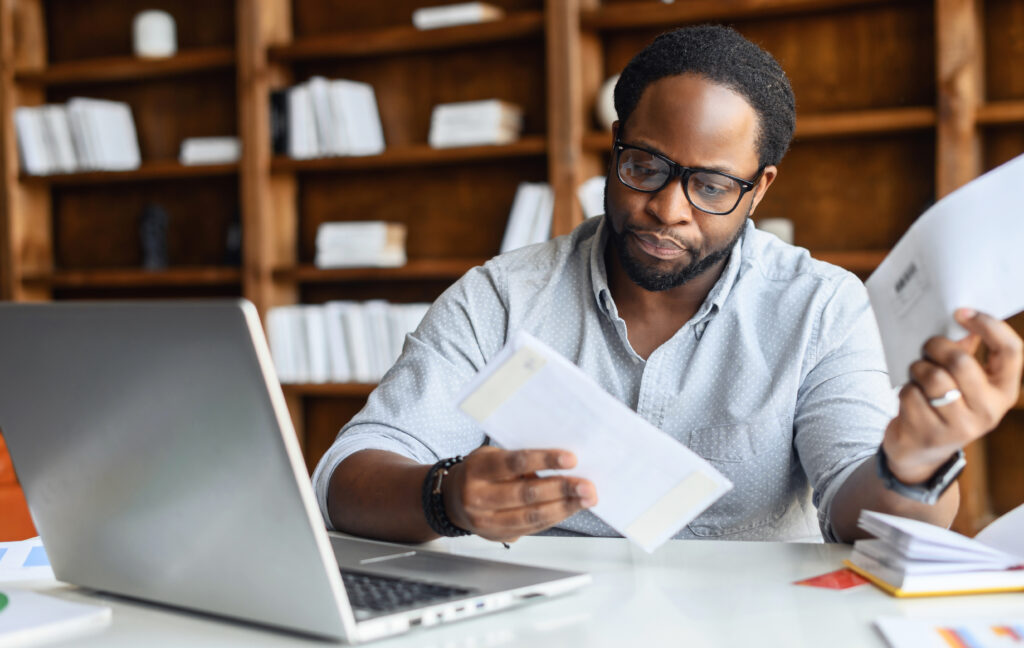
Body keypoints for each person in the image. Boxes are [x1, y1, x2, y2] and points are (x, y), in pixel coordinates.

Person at [312, 25, 1023, 545]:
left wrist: (914, 460)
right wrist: (446, 496)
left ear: (759, 187)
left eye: (711, 185)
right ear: (616, 144)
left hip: (750, 646)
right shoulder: (501, 297)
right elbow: (346, 477)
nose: (668, 207)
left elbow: (856, 518)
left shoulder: (819, 306)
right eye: (645, 166)